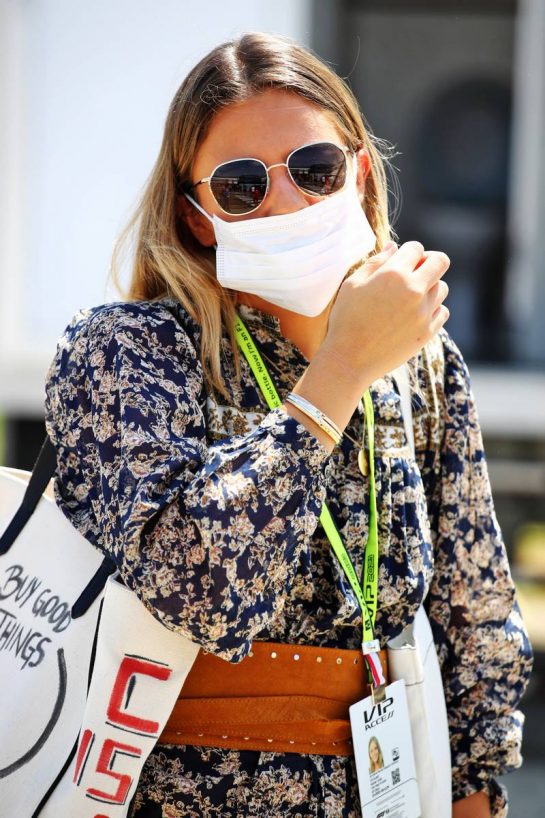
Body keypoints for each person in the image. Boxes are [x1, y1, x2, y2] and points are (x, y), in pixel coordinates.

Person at [44, 32, 532, 818]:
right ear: (198, 216)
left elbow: (475, 617)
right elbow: (203, 592)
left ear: (358, 173)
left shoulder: (423, 361)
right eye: (241, 185)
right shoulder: (127, 351)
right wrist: (337, 373)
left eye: (314, 170)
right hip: (180, 793)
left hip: (389, 787)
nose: (287, 202)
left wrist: (474, 794)